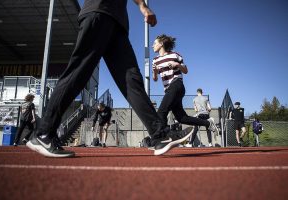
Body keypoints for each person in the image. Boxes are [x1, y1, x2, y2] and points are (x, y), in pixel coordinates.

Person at [26, 0, 198, 157]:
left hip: (117, 25)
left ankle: (159, 135)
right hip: (99, 12)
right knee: (79, 72)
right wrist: (142, 6)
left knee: (132, 80)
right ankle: (44, 133)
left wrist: (141, 6)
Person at [152, 34, 219, 145]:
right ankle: (208, 123)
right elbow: (155, 79)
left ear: (161, 44)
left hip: (177, 85)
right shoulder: (155, 60)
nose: (152, 46)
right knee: (182, 118)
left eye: (154, 43)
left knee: (161, 112)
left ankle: (162, 139)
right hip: (169, 90)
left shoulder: (175, 55)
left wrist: (177, 64)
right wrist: (154, 72)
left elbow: (185, 70)